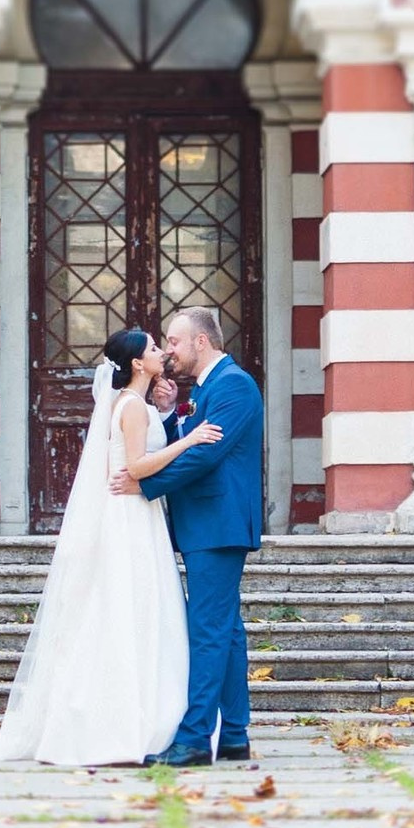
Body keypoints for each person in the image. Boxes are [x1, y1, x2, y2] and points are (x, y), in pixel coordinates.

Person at [0, 327, 224, 766]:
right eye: (151, 348)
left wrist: (166, 414)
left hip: (138, 514)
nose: (161, 352)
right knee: (131, 607)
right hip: (131, 517)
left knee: (137, 608)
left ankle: (141, 713)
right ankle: (128, 720)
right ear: (136, 364)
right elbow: (137, 465)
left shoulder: (136, 405)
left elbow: (138, 455)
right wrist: (190, 438)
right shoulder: (129, 406)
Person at [112, 305, 265, 767]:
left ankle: (196, 737)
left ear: (202, 341)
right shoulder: (206, 388)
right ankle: (235, 735)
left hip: (218, 525)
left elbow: (206, 455)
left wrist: (144, 485)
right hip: (205, 523)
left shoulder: (234, 384)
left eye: (174, 342)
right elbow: (191, 437)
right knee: (227, 632)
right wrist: (167, 412)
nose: (169, 350)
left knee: (207, 633)